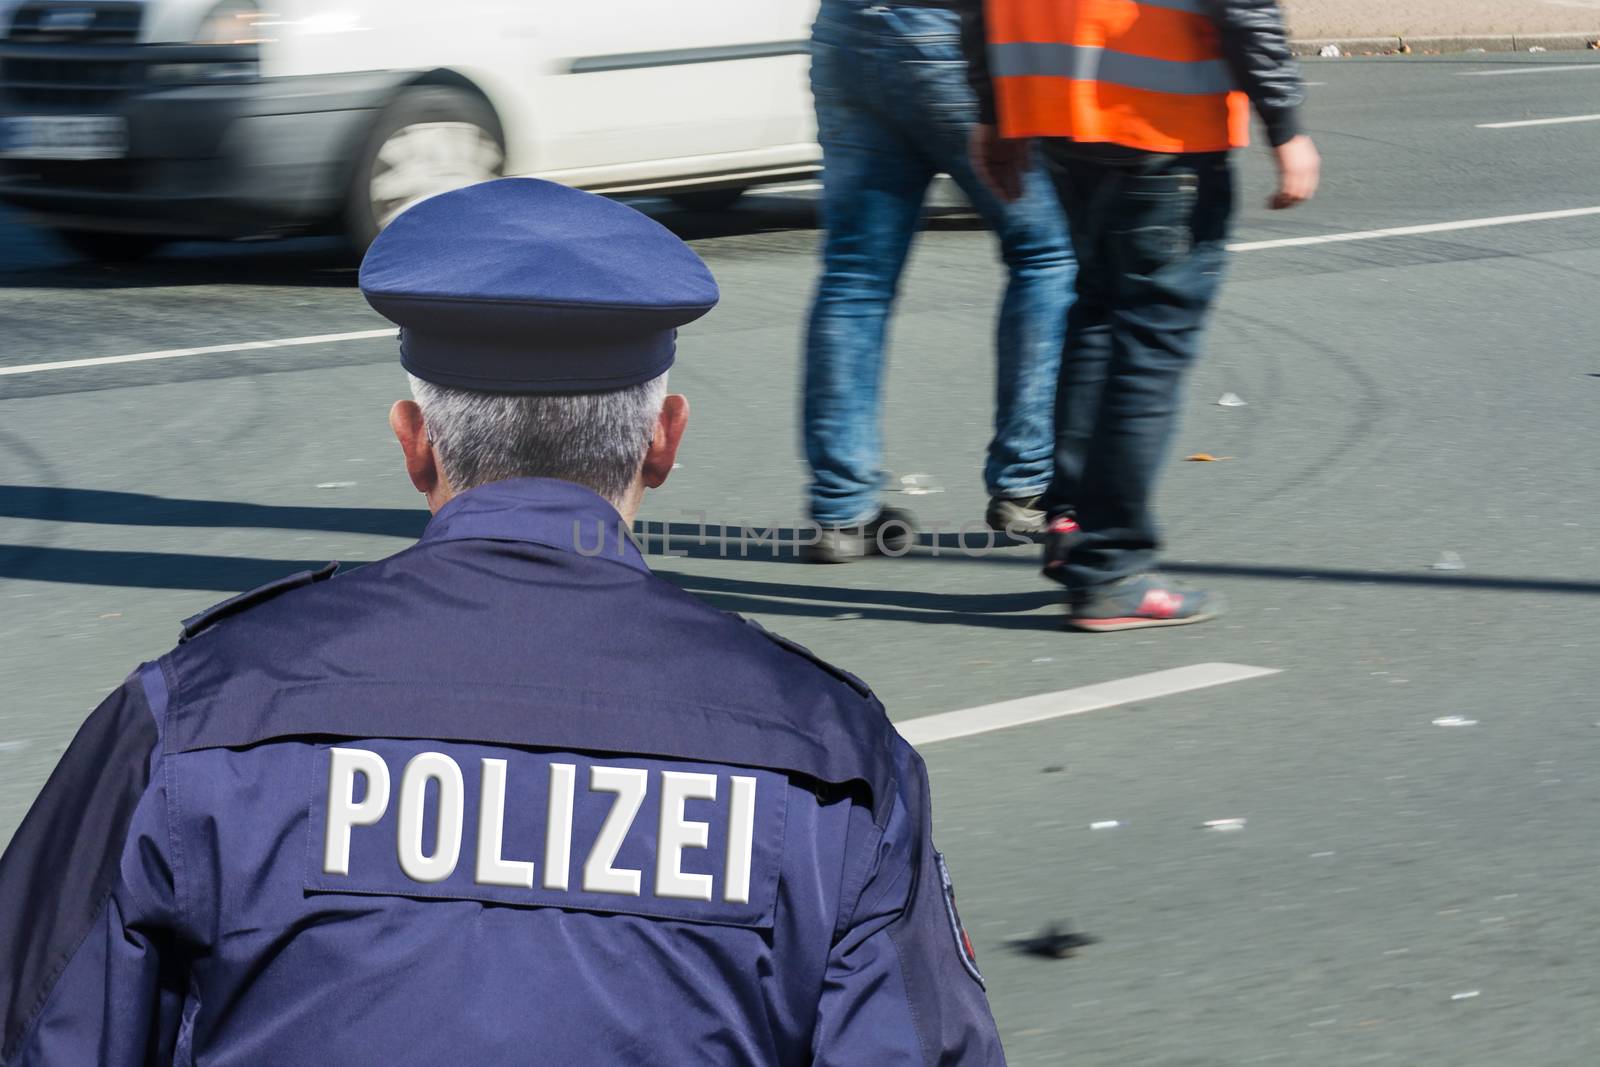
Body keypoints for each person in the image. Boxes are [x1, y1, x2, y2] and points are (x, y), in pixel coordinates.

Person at [0, 179, 1006, 1064]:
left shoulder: (193, 718)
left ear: (414, 443)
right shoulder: (829, 755)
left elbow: (39, 1018)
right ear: (663, 440)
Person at [960, 0, 1320, 630]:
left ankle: (1071, 523)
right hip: (1159, 126)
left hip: (1056, 114)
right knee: (1150, 347)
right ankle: (1112, 566)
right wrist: (1286, 125)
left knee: (1098, 317)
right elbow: (1244, 9)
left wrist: (994, 111)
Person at [804, 0, 1077, 562]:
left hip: (847, 30)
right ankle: (1025, 481)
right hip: (951, 34)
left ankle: (842, 510)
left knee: (855, 277)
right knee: (1045, 253)